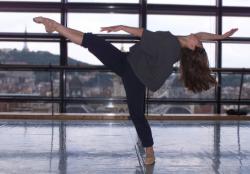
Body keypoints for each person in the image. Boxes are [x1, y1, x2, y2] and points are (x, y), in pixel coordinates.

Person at [33, 16, 238, 165]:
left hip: (134, 75)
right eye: (200, 40)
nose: (199, 38)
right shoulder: (185, 41)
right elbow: (202, 35)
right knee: (92, 42)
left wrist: (122, 26)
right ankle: (55, 26)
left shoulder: (170, 44)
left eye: (199, 42)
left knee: (137, 115)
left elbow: (142, 33)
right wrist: (221, 36)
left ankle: (149, 151)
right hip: (127, 62)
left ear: (192, 48)